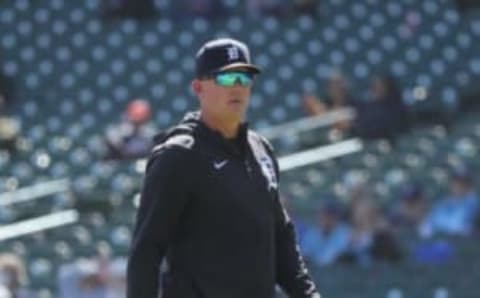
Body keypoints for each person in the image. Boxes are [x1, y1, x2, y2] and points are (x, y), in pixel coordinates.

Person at [127, 38, 320, 298]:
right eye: (226, 78)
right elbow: (146, 251)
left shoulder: (260, 149)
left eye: (245, 77)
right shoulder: (180, 155)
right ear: (198, 88)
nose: (237, 87)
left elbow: (281, 237)